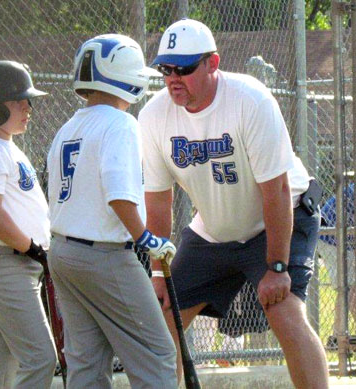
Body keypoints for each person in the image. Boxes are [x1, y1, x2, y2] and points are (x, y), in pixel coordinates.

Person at [138, 19, 329, 389]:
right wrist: (158, 274)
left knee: (285, 315)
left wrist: (276, 266)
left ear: (212, 63)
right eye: (166, 69)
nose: (174, 78)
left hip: (277, 219)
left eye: (185, 68)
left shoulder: (249, 99)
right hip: (214, 231)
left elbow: (275, 189)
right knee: (164, 320)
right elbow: (158, 200)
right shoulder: (153, 116)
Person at [47, 34, 177, 388]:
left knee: (86, 363)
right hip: (103, 255)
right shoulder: (120, 124)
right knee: (157, 354)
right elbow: (118, 195)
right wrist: (147, 239)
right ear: (124, 76)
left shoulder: (68, 128)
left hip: (63, 252)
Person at [0, 60, 57, 389]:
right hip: (5, 264)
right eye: (18, 101)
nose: (27, 107)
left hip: (13, 264)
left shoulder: (5, 147)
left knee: (5, 364)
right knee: (42, 357)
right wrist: (31, 247)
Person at [318, 180, 356, 347]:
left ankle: (337, 336)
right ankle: (338, 337)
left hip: (342, 238)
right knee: (350, 286)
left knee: (346, 287)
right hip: (331, 237)